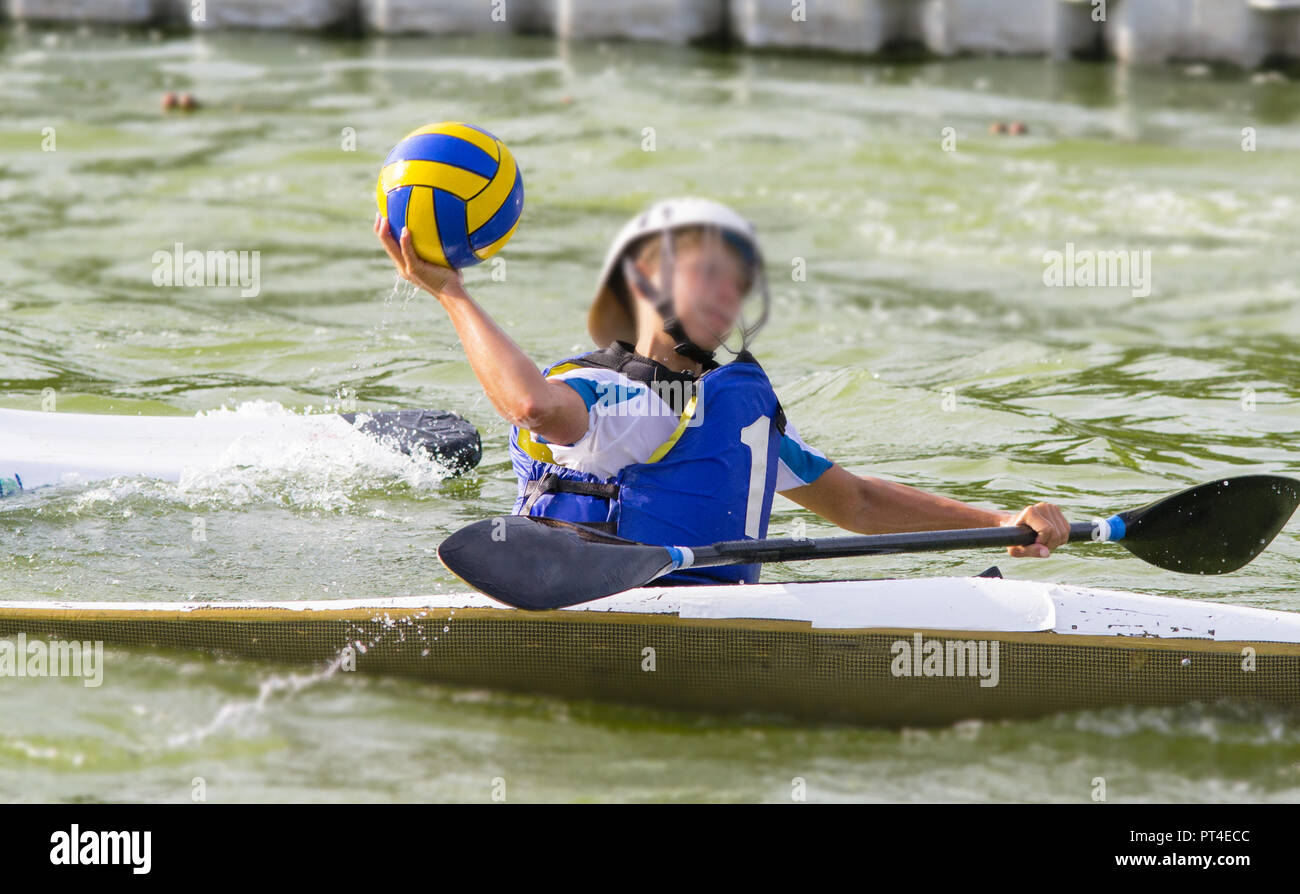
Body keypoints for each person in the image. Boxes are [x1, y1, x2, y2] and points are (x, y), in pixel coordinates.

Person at [375, 197, 1068, 584]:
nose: (725, 298)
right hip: (586, 606)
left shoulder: (739, 418)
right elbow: (533, 406)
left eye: (735, 286)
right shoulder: (602, 391)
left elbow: (856, 501)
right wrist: (452, 294)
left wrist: (1003, 522)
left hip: (712, 620)